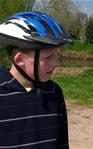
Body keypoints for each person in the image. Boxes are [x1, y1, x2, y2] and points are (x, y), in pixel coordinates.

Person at [0, 11, 72, 148]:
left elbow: (62, 143)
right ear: (20, 59)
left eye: (57, 54)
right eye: (47, 57)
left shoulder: (54, 92)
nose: (57, 63)